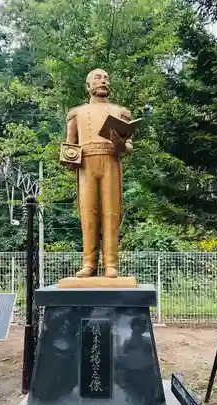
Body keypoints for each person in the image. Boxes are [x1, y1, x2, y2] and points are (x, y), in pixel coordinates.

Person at [64, 68, 133, 278]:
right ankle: (89, 263)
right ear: (88, 86)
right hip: (86, 165)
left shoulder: (121, 112)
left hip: (111, 161)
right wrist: (69, 159)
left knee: (112, 213)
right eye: (98, 77)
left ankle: (111, 264)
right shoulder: (77, 113)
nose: (103, 81)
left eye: (106, 78)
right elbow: (69, 144)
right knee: (88, 215)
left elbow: (129, 146)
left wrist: (121, 144)